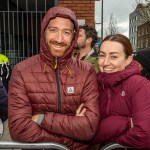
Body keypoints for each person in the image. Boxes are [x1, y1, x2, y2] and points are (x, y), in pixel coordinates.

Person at [8, 6, 100, 150]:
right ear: (43, 32)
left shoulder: (86, 71)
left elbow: (88, 127)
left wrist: (41, 118)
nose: (59, 39)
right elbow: (19, 129)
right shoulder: (21, 71)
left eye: (66, 32)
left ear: (73, 37)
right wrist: (72, 139)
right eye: (53, 30)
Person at [80, 34, 150, 148]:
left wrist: (111, 143)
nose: (106, 62)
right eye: (102, 56)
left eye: (114, 57)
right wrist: (121, 123)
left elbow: (145, 136)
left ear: (128, 60)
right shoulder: (93, 84)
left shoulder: (139, 85)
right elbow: (83, 130)